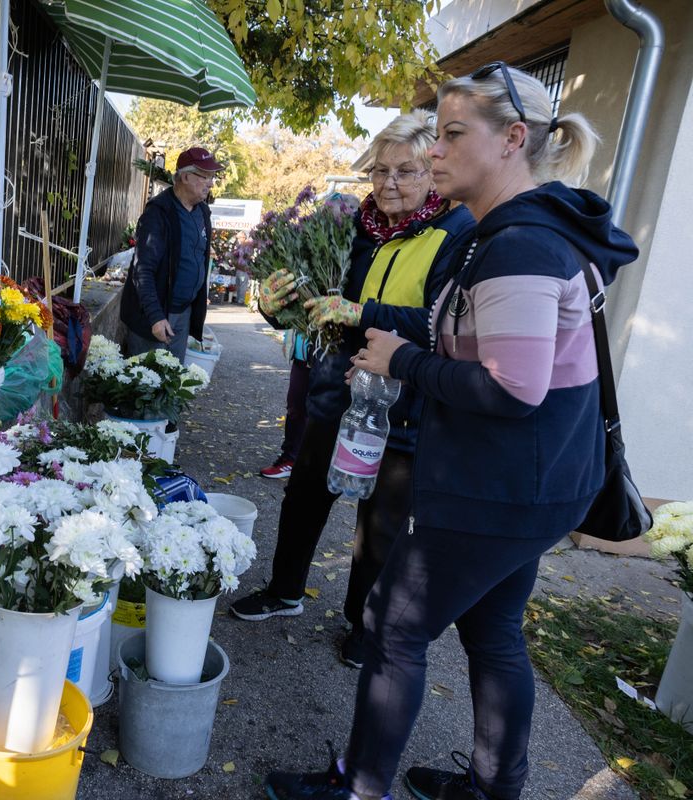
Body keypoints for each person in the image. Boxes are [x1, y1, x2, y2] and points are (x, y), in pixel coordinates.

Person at [263, 64, 638, 800]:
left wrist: (404, 361)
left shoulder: (522, 244)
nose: (435, 151)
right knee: (491, 630)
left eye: (453, 134)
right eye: (435, 134)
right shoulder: (514, 231)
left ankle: (358, 787)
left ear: (514, 140)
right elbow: (456, 335)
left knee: (392, 627)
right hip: (538, 484)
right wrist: (357, 319)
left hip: (498, 488)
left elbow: (510, 385)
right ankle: (494, 789)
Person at [231, 113, 475, 672]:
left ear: (432, 172)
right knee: (305, 497)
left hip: (404, 405)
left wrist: (363, 313)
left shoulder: (457, 233)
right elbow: (309, 308)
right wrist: (274, 301)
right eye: (380, 170)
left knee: (381, 524)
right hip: (334, 391)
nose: (389, 183)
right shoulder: (351, 228)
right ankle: (285, 590)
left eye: (406, 171)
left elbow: (444, 322)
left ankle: (362, 624)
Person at [120, 147, 224, 363]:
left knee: (172, 383)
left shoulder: (202, 212)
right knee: (146, 384)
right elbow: (143, 270)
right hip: (155, 316)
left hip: (183, 314)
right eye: (205, 176)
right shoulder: (159, 213)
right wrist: (156, 317)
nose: (211, 183)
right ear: (185, 176)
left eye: (212, 177)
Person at [259, 330, 312, 479]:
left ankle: (296, 460)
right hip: (301, 356)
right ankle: (291, 459)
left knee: (312, 411)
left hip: (325, 358)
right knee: (295, 407)